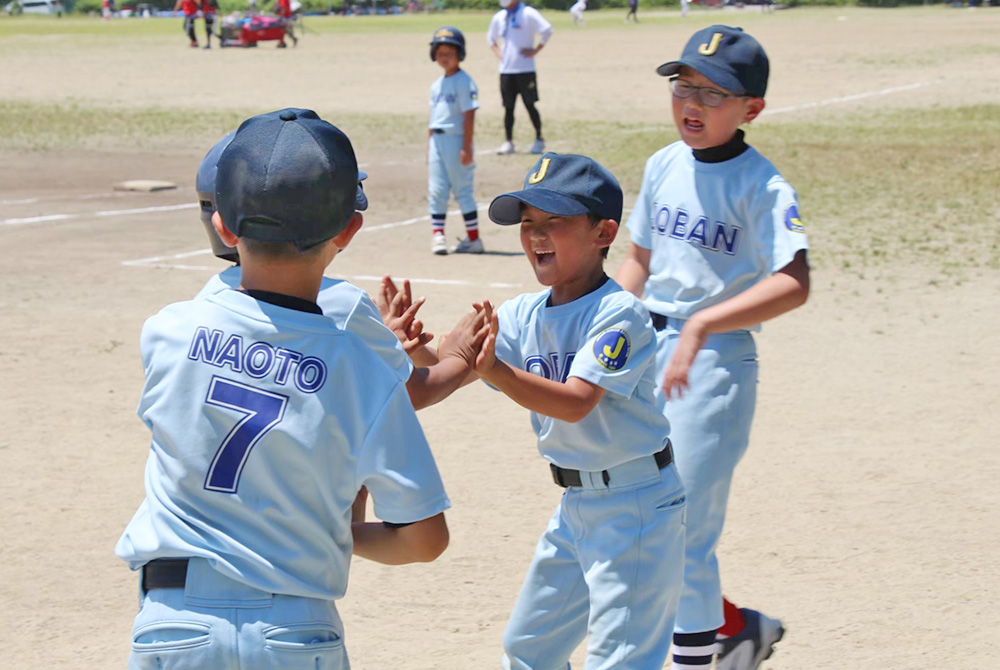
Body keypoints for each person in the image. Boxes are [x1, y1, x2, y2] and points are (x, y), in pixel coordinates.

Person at [116, 108, 459, 670]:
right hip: (293, 628)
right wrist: (335, 530)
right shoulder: (361, 367)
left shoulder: (167, 332)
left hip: (173, 625)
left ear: (223, 226)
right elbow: (425, 539)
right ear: (348, 230)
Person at [614, 25, 810, 670]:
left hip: (716, 365)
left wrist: (700, 325)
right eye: (682, 87)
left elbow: (793, 282)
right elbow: (639, 259)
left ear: (751, 108)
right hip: (647, 353)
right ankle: (737, 630)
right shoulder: (662, 163)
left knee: (682, 533)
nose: (691, 104)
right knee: (642, 521)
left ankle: (706, 657)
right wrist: (605, 331)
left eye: (713, 95)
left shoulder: (763, 185)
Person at [474, 152, 687, 669]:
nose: (536, 235)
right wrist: (410, 350)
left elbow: (576, 402)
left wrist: (496, 372)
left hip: (636, 506)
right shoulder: (523, 313)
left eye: (556, 222)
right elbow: (455, 366)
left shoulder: (619, 313)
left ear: (603, 232)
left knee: (619, 660)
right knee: (529, 650)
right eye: (528, 223)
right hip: (575, 507)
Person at [194, 128, 484, 411]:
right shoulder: (342, 304)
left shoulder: (205, 301)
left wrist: (388, 344)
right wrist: (458, 357)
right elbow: (411, 393)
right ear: (347, 228)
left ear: (222, 224)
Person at [426, 26, 484, 256]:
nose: (444, 57)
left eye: (450, 53)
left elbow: (469, 116)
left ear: (460, 54)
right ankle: (438, 235)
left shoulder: (465, 81)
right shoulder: (436, 85)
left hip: (456, 140)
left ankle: (473, 239)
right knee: (437, 189)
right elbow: (433, 119)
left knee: (463, 190)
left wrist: (466, 147)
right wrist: (428, 147)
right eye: (440, 53)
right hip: (437, 141)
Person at [486, 0, 552, 156]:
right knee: (508, 107)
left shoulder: (528, 13)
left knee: (530, 104)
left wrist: (535, 50)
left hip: (525, 69)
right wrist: (499, 54)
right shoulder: (500, 16)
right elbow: (491, 38)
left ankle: (538, 139)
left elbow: (547, 30)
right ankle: (508, 142)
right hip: (506, 70)